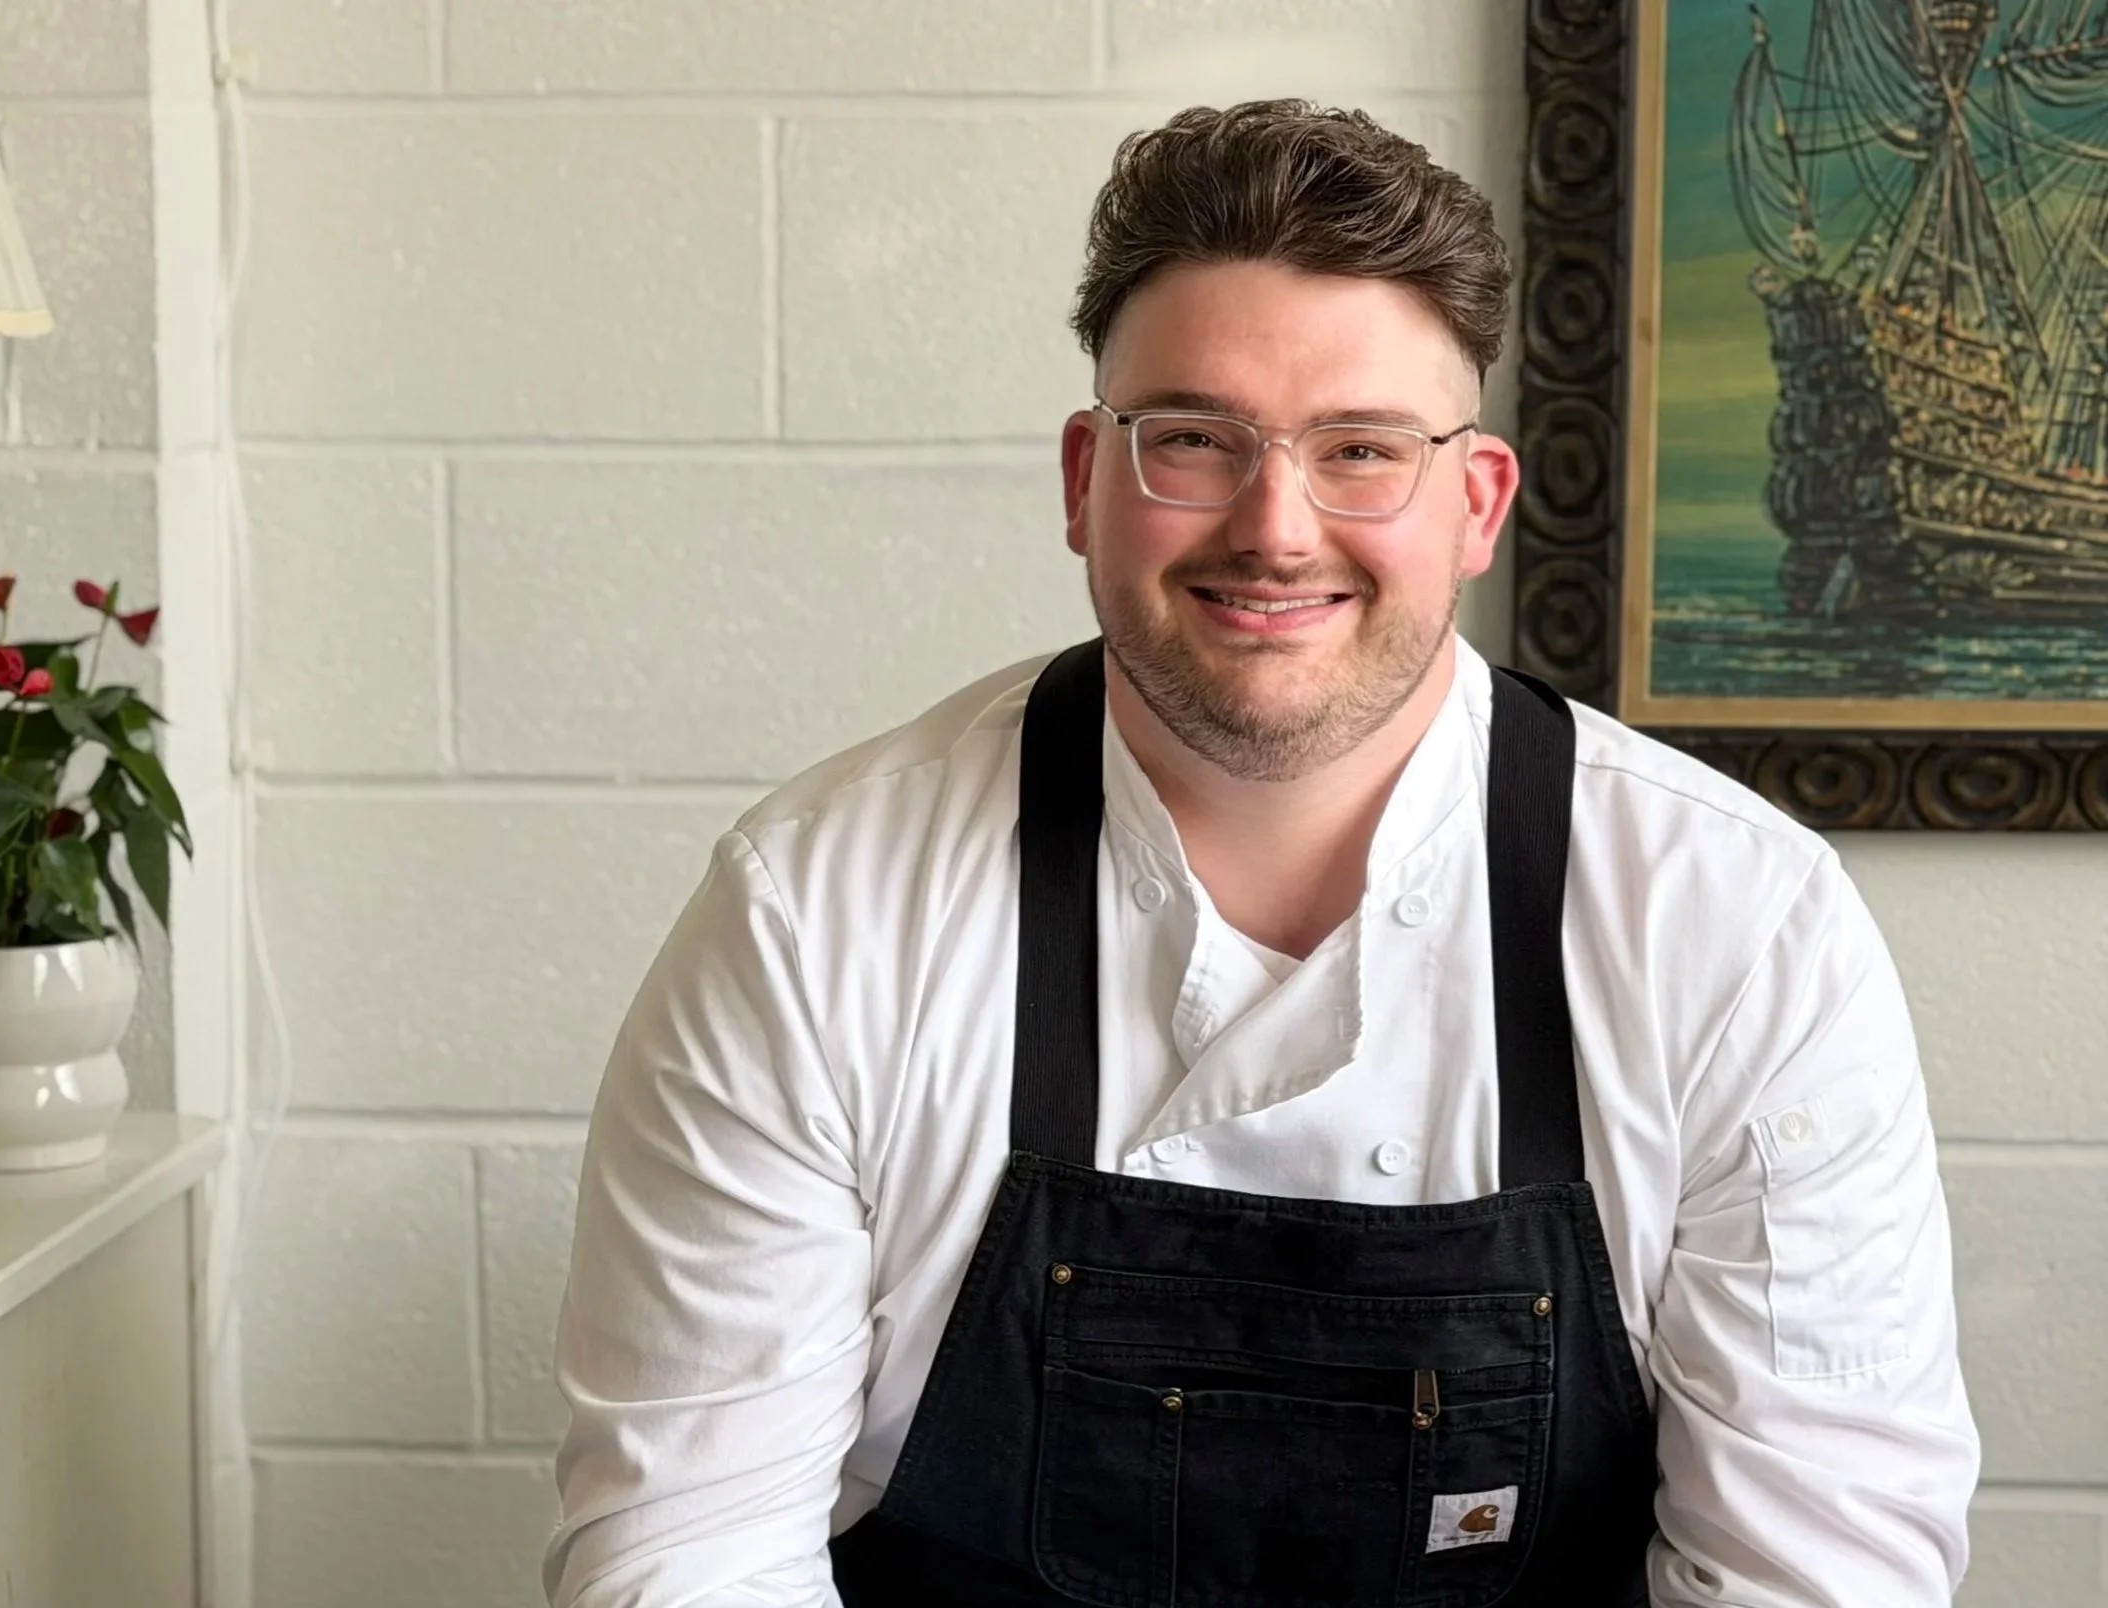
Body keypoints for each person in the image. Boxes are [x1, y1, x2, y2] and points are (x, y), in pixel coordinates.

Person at [542, 101, 1979, 1608]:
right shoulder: (818, 913)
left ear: (1477, 501)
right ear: (1086, 479)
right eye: (1195, 443)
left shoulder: (1737, 926)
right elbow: (688, 1556)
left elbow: (1817, 1577)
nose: (1277, 529)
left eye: (1361, 448)